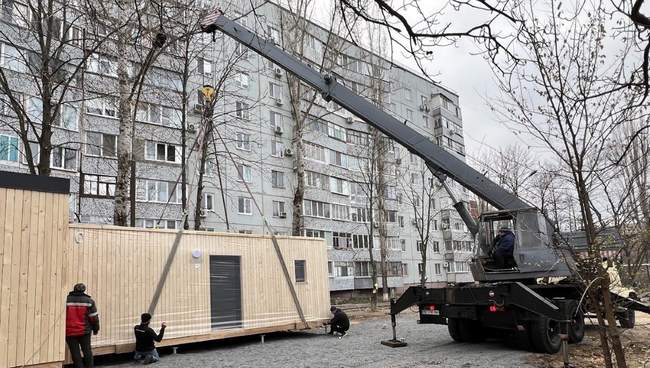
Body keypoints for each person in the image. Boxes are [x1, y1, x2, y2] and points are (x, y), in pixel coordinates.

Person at [65, 283, 99, 368]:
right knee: (87, 352)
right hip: (85, 331)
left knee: (75, 353)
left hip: (69, 332)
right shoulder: (89, 301)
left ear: (74, 289)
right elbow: (94, 318)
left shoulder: (66, 300)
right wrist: (96, 329)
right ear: (84, 290)